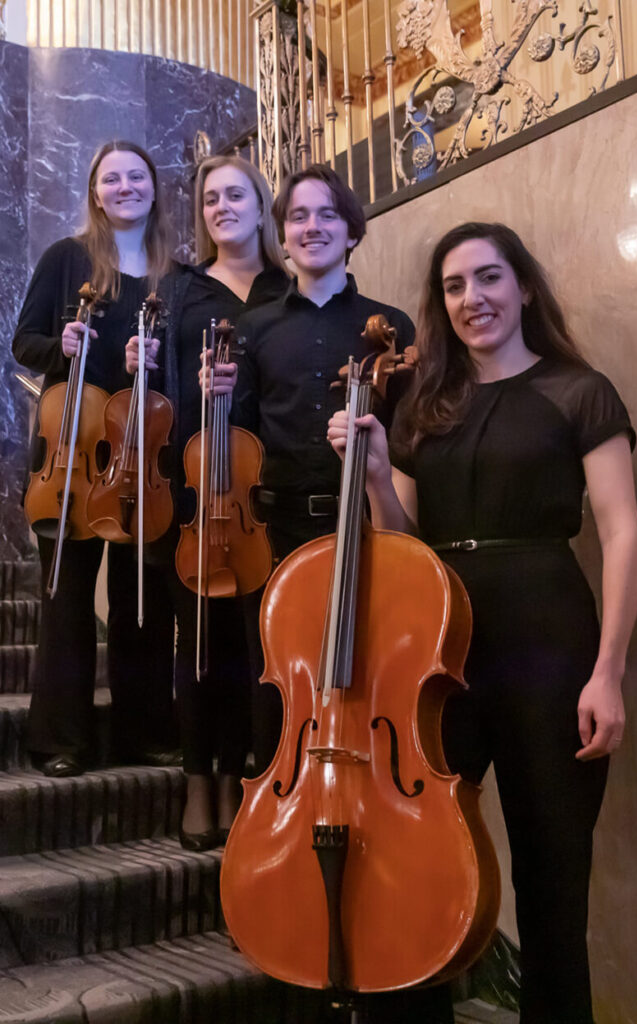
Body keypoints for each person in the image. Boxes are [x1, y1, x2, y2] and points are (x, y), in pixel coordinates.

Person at [328, 222, 637, 1023]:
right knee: (420, 862)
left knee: (551, 879)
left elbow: (619, 534)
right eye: (454, 286)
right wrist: (372, 476)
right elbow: (401, 542)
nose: (474, 300)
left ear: (524, 287)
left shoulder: (578, 390)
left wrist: (607, 672)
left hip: (549, 642)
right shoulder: (423, 403)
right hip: (442, 652)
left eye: (488, 278)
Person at [221, 163, 415, 776]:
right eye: (298, 216)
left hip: (365, 532)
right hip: (274, 536)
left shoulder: (391, 327)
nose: (312, 227)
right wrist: (215, 397)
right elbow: (239, 441)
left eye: (327, 214)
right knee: (277, 686)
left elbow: (409, 440)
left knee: (366, 679)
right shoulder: (253, 329)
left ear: (352, 231)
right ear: (282, 235)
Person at [126, 154, 289, 850]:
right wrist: (137, 363)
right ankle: (202, 781)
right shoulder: (182, 289)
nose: (222, 206)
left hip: (266, 493)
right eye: (211, 198)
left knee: (259, 649)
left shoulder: (290, 288)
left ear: (260, 205)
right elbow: (155, 387)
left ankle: (249, 776)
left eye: (235, 195)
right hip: (195, 487)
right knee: (197, 643)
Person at [12, 140, 179, 778]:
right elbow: (25, 343)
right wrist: (64, 342)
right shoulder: (66, 259)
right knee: (67, 600)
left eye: (137, 176)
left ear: (154, 187)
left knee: (143, 603)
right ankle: (61, 740)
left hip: (142, 451)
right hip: (73, 453)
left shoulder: (174, 272)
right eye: (112, 179)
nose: (125, 187)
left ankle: (143, 733)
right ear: (95, 191)